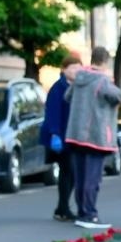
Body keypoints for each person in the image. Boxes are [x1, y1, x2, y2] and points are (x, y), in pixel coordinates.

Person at [64, 46, 121, 230]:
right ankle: (90, 215)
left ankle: (82, 212)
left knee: (81, 177)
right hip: (95, 135)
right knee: (92, 178)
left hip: (76, 135)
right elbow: (118, 96)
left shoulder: (78, 79)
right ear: (105, 62)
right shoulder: (102, 81)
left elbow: (67, 97)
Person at [41, 53, 82, 221]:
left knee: (70, 173)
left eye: (79, 68)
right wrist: (55, 134)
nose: (76, 72)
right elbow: (53, 113)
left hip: (72, 136)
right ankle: (63, 207)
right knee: (68, 171)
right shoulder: (58, 87)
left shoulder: (77, 87)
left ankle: (61, 206)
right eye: (73, 68)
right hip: (60, 136)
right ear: (64, 69)